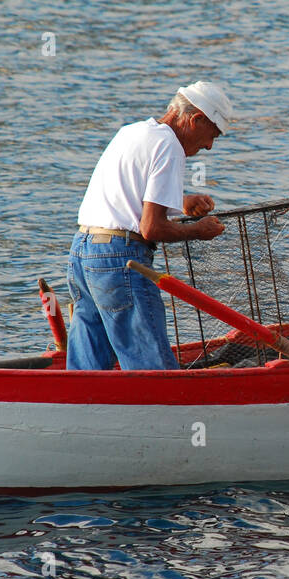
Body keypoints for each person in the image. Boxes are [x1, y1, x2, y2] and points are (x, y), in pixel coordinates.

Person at [66, 81, 230, 370]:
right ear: (196, 119)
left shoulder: (132, 131)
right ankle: (168, 412)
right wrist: (198, 231)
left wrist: (180, 201)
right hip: (120, 261)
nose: (208, 145)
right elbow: (151, 229)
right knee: (152, 368)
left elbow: (127, 191)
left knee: (87, 365)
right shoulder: (170, 146)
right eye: (212, 135)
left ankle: (77, 407)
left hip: (82, 251)